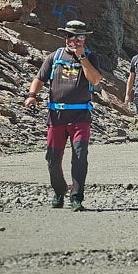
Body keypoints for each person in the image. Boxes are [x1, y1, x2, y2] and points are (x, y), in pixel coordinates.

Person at [25, 20, 103, 211]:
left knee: (80, 155)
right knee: (52, 158)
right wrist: (31, 96)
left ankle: (76, 197)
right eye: (70, 36)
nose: (74, 41)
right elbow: (39, 78)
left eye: (79, 37)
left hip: (80, 116)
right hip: (56, 116)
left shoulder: (91, 57)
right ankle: (59, 191)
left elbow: (96, 79)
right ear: (65, 37)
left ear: (85, 39)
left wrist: (82, 58)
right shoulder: (54, 57)